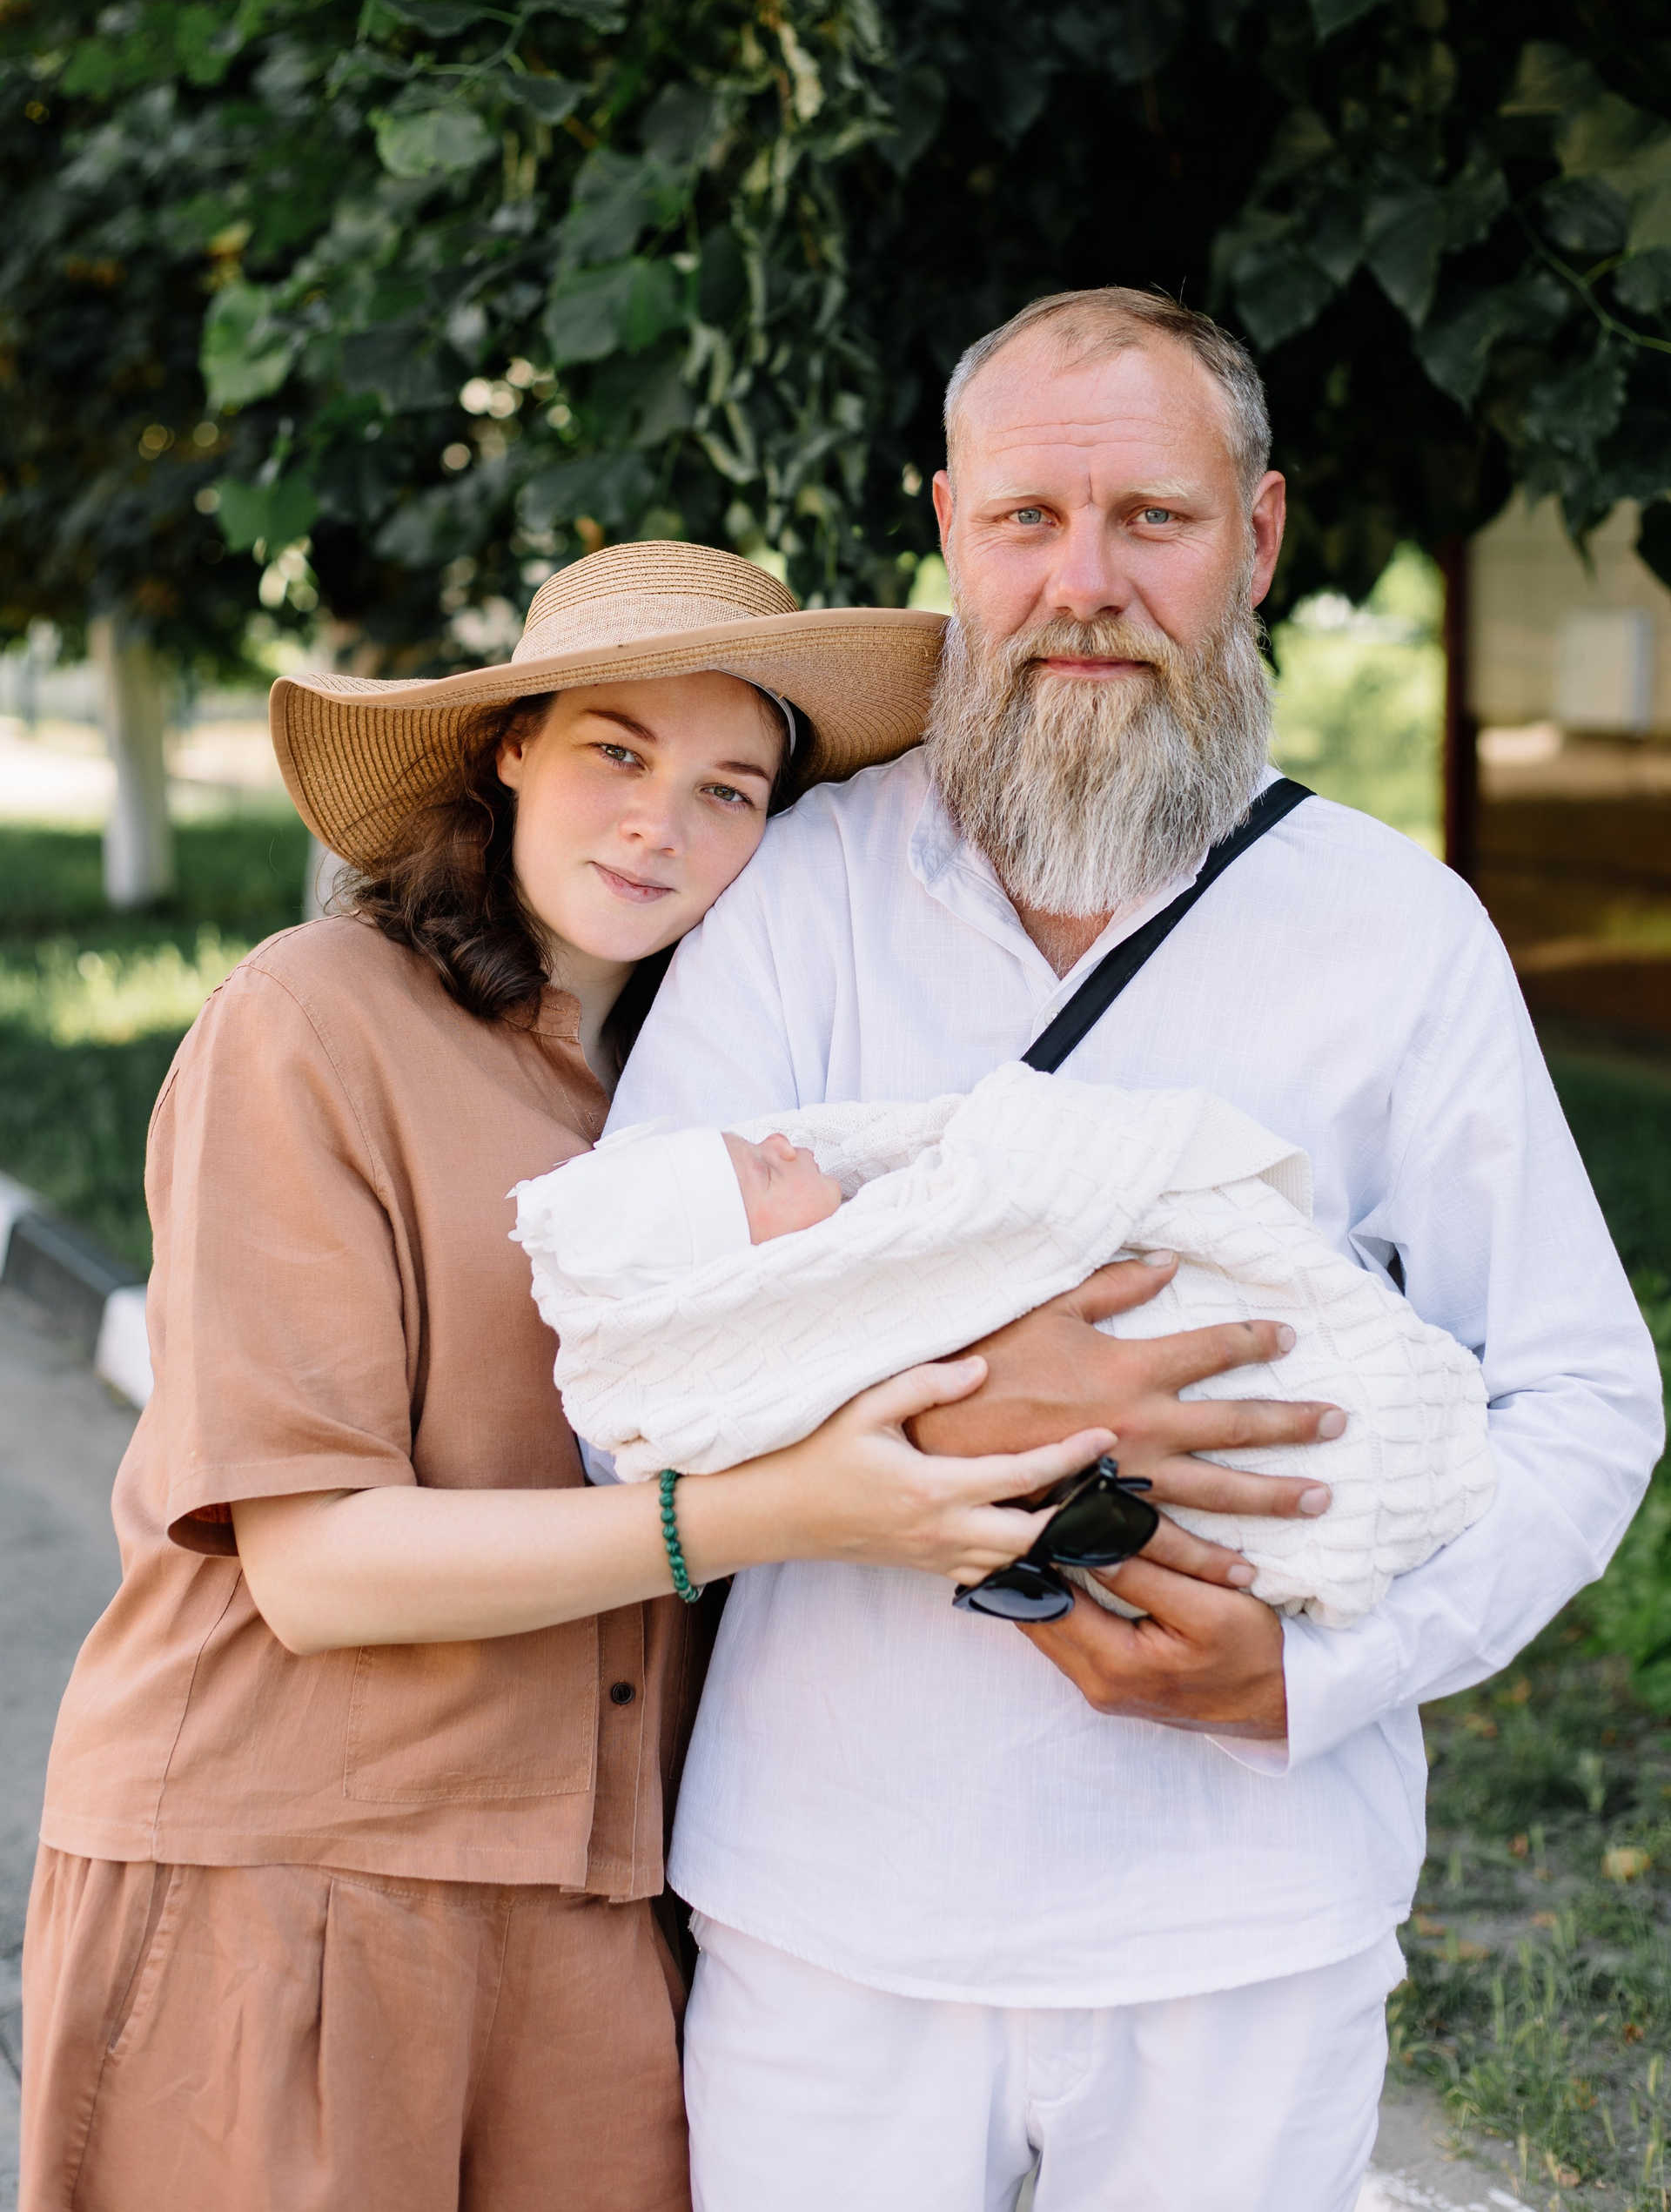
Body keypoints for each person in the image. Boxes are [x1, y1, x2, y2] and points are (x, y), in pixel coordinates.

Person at [607, 292, 1665, 2211]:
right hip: (835, 1914)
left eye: (1151, 520)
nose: (1082, 584)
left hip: (1249, 1917)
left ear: (1256, 539)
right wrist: (980, 1399)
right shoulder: (800, 892)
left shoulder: (1397, 932)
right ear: (952, 531)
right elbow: (622, 1375)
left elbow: (1584, 1398)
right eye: (1027, 519)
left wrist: (1315, 1681)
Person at [19, 542, 1122, 2212]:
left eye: (728, 789)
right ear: (512, 746)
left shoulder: (733, 1115)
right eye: (618, 750)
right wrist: (766, 1514)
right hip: (289, 1864)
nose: (659, 826)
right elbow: (314, 1567)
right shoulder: (311, 1020)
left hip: (604, 1890)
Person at [516, 1062, 1494, 1628]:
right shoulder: (784, 902)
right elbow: (632, 1459)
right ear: (745, 1276)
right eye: (761, 1175)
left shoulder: (1414, 922)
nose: (782, 1144)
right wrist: (943, 1421)